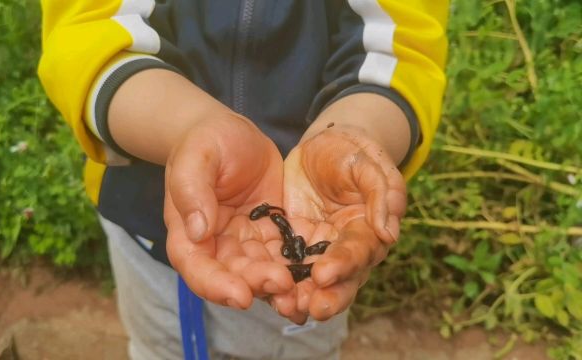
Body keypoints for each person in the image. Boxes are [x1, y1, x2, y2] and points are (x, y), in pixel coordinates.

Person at [38, 1, 448, 359]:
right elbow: (87, 32)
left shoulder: (297, 247)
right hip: (143, 226)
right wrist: (188, 128)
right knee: (158, 346)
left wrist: (361, 129)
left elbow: (401, 47)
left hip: (303, 227)